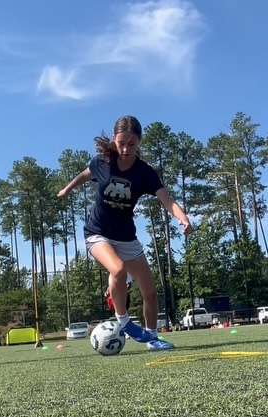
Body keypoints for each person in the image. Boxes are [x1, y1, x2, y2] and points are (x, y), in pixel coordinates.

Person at [57, 115, 192, 351]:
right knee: (117, 269)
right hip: (97, 233)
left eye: (132, 144)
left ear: (138, 142)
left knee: (150, 293)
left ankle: (151, 338)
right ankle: (124, 321)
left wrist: (182, 217)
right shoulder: (102, 162)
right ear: (114, 139)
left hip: (126, 237)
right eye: (121, 143)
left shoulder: (144, 173)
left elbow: (166, 200)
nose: (126, 149)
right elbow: (85, 174)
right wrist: (67, 188)